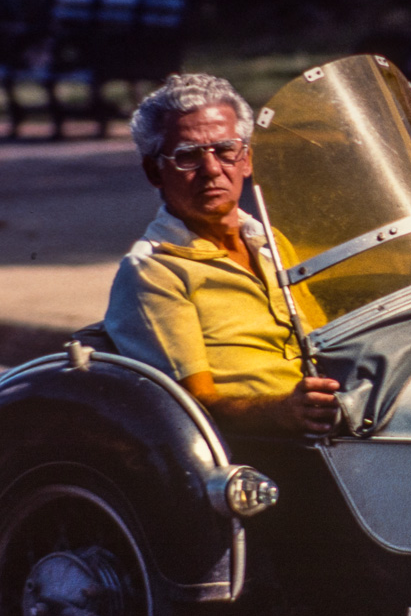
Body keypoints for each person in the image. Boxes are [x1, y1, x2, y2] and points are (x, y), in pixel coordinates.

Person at [104, 73, 341, 437]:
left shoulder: (270, 242)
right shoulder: (154, 270)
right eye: (188, 157)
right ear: (155, 171)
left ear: (246, 160)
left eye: (225, 150)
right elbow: (191, 407)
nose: (212, 170)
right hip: (262, 451)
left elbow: (324, 342)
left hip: (333, 421)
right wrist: (281, 412)